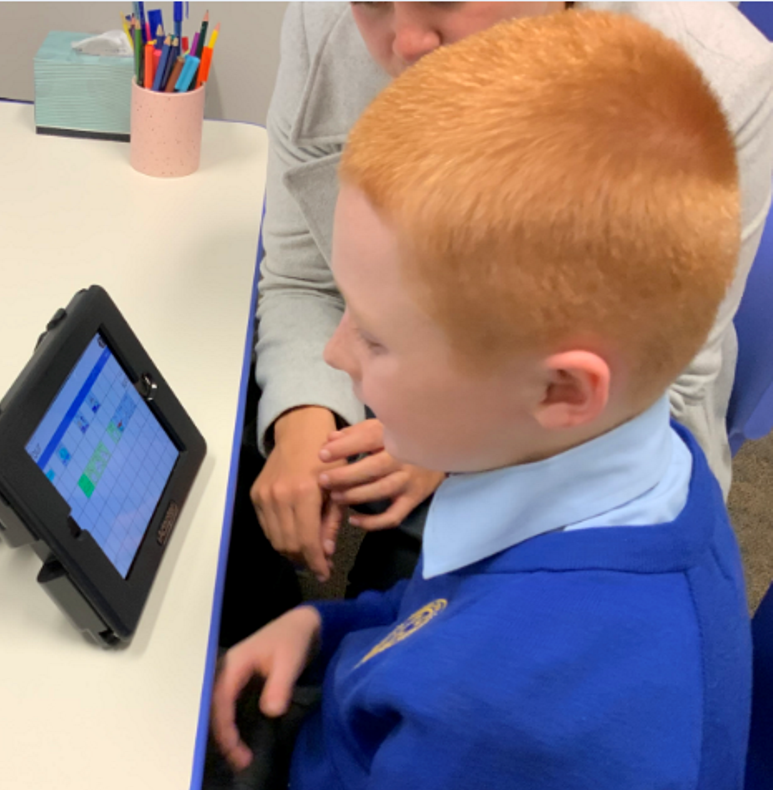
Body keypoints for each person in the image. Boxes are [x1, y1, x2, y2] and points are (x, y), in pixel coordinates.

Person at [0, 9, 754, 790]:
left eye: (380, 338)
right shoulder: (638, 478)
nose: (336, 358)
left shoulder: (512, 711)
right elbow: (460, 610)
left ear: (561, 389)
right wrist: (326, 621)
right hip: (372, 789)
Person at [218, 0, 773, 640]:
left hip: (554, 443)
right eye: (370, 3)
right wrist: (301, 417)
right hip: (443, 386)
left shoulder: (719, 73)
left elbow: (663, 380)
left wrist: (455, 445)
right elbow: (301, 274)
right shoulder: (331, 25)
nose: (404, 40)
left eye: (445, 0)